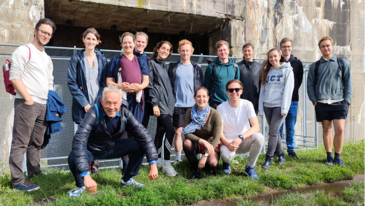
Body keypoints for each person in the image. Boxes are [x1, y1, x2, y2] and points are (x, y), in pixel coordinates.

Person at [67, 85, 158, 197]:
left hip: (112, 147)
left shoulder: (125, 113)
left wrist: (153, 163)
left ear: (120, 102)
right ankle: (81, 185)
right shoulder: (93, 112)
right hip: (91, 150)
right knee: (73, 157)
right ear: (102, 101)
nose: (112, 107)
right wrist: (86, 175)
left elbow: (144, 135)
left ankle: (127, 179)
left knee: (140, 143)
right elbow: (79, 140)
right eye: (108, 103)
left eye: (115, 103)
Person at [8, 18, 56, 192]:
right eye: (43, 32)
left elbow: (50, 81)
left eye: (49, 34)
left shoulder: (47, 57)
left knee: (36, 142)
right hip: (27, 103)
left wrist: (51, 104)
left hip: (43, 105)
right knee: (20, 142)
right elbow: (14, 76)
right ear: (35, 31)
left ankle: (34, 173)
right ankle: (17, 181)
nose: (45, 36)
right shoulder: (23, 51)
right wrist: (28, 99)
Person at [106, 32, 149, 174]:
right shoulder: (115, 60)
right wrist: (121, 86)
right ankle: (125, 164)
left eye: (130, 42)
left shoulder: (141, 60)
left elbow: (146, 81)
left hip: (137, 101)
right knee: (123, 131)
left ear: (135, 43)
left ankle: (134, 166)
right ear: (121, 44)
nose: (128, 45)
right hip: (122, 101)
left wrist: (139, 87)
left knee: (135, 131)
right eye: (125, 42)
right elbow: (108, 81)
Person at [67, 27, 108, 174]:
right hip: (82, 106)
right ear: (83, 39)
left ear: (98, 41)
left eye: (94, 39)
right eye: (88, 38)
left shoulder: (102, 59)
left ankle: (95, 165)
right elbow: (71, 82)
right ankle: (84, 166)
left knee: (97, 136)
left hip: (98, 105)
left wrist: (97, 103)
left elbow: (104, 82)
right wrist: (84, 103)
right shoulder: (76, 59)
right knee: (83, 137)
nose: (91, 41)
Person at [307, 36, 352, 166]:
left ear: (332, 46)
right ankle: (329, 156)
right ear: (320, 48)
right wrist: (314, 101)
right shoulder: (315, 66)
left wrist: (347, 101)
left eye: (328, 45)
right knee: (326, 129)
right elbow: (310, 85)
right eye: (323, 46)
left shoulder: (342, 63)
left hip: (339, 102)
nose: (326, 48)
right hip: (322, 103)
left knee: (340, 130)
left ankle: (338, 157)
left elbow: (348, 83)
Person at [218, 80, 264, 179]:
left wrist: (240, 137)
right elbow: (219, 132)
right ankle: (226, 163)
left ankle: (250, 167)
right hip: (228, 141)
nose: (234, 92)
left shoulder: (247, 104)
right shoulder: (221, 107)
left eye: (237, 89)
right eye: (231, 90)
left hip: (244, 140)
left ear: (241, 91)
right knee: (227, 156)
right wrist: (227, 144)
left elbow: (256, 126)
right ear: (227, 92)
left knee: (259, 137)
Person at [168, 39, 203, 165]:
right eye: (182, 50)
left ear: (192, 51)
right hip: (178, 105)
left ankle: (194, 157)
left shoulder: (197, 68)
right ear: (179, 51)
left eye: (187, 50)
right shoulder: (173, 67)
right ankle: (178, 158)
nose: (185, 52)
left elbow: (201, 88)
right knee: (178, 132)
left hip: (193, 106)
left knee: (193, 132)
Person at [258, 48, 294, 169]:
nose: (273, 59)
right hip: (267, 105)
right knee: (275, 132)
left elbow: (288, 91)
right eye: (270, 57)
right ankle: (282, 155)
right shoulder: (266, 71)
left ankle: (268, 158)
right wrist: (261, 108)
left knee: (272, 132)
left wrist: (284, 108)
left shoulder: (287, 70)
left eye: (275, 56)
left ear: (279, 56)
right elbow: (262, 90)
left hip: (279, 106)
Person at [148, 41, 177, 176]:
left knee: (160, 130)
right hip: (160, 104)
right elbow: (150, 85)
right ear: (157, 49)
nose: (165, 51)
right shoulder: (151, 64)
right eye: (163, 48)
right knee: (170, 131)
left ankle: (158, 160)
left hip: (169, 104)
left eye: (168, 50)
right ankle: (167, 162)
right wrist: (154, 104)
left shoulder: (164, 66)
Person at [182, 86, 222, 179]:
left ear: (208, 98)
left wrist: (205, 156)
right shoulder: (189, 112)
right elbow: (187, 133)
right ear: (194, 98)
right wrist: (203, 141)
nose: (201, 99)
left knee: (212, 163)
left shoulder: (215, 114)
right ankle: (195, 169)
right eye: (199, 96)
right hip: (197, 143)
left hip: (211, 143)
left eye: (204, 96)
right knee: (187, 142)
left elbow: (217, 138)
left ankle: (208, 167)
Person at [278, 38, 304, 159]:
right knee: (278, 127)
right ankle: (277, 150)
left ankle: (291, 150)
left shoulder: (297, 63)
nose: (286, 48)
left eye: (288, 46)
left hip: (293, 100)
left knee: (290, 126)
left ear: (291, 47)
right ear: (280, 48)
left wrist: (291, 93)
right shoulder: (277, 61)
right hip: (279, 100)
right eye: (284, 46)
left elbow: (298, 81)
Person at [204, 40, 240, 109]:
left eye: (224, 50)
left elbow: (238, 87)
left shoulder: (235, 67)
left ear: (228, 51)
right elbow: (206, 87)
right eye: (220, 50)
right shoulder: (211, 67)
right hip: (215, 103)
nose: (223, 52)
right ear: (217, 52)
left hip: (231, 102)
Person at [133, 32, 152, 129]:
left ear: (146, 44)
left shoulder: (149, 61)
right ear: (134, 42)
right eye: (138, 41)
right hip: (131, 98)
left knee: (142, 128)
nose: (140, 44)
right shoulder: (128, 58)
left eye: (142, 42)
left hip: (145, 100)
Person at [238, 43, 262, 113]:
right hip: (241, 99)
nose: (247, 53)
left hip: (254, 100)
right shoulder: (238, 66)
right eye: (245, 51)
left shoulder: (259, 67)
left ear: (253, 51)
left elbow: (261, 84)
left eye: (249, 50)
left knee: (253, 122)